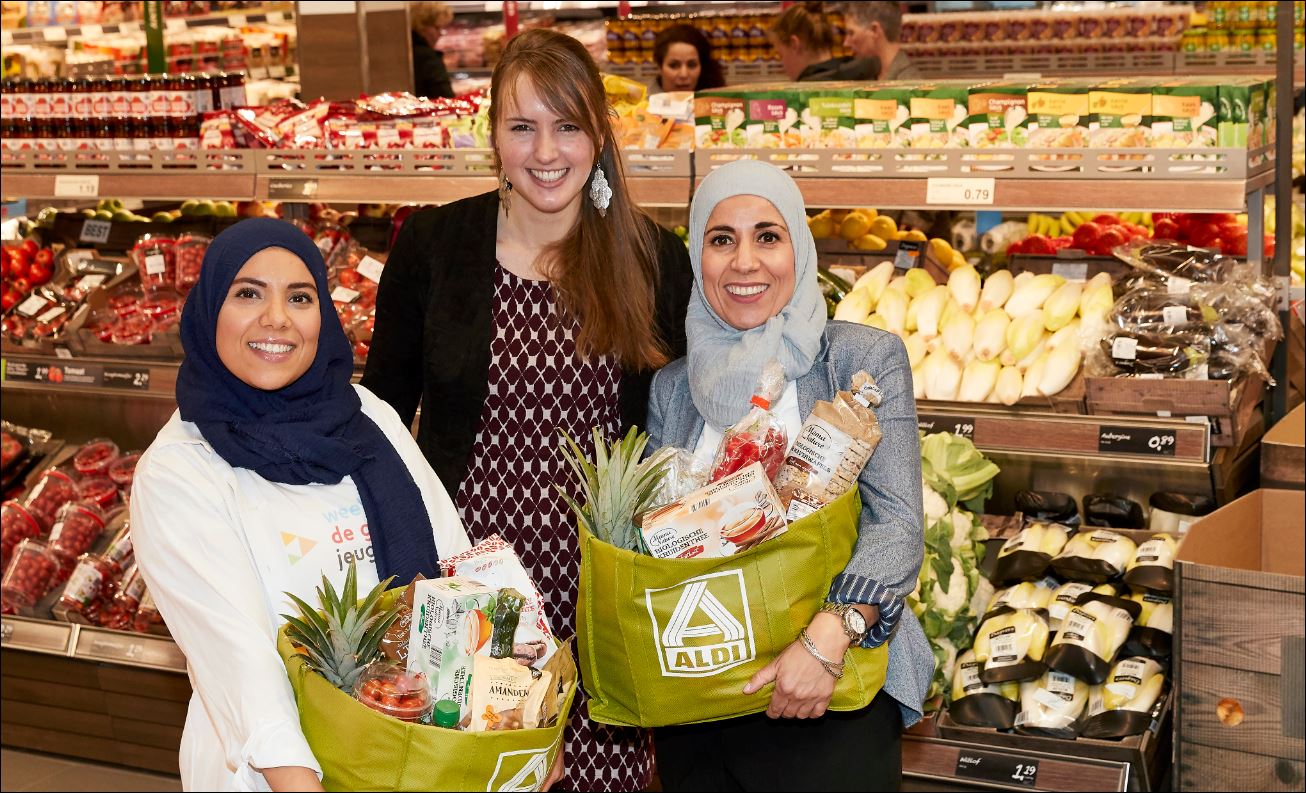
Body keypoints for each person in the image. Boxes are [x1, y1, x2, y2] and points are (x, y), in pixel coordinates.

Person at [361, 28, 694, 793]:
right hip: (467, 594)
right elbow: (379, 420)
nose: (547, 150)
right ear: (494, 139)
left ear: (598, 135)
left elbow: (681, 437)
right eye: (523, 126)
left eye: (568, 125)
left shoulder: (652, 259)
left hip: (600, 599)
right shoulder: (435, 245)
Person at [130, 219, 472, 792]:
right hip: (277, 775)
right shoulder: (179, 472)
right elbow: (241, 664)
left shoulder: (369, 418)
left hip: (417, 751)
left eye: (299, 297)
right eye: (247, 294)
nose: (276, 320)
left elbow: (456, 570)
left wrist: (507, 710)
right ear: (210, 308)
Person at [646, 160, 933, 792]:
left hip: (832, 686)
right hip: (703, 700)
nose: (744, 261)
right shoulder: (673, 388)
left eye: (767, 236)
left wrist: (828, 637)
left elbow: (899, 525)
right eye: (721, 239)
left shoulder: (863, 359)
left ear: (797, 248)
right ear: (698, 257)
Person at [771, 1, 877, 82]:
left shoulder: (804, 94)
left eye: (781, 55)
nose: (783, 65)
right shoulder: (866, 74)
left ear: (794, 44)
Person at [843, 1, 923, 81]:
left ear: (874, 30)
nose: (846, 43)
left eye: (851, 33)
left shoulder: (909, 85)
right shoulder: (869, 75)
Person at [652, 23, 726, 93]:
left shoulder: (718, 102)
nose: (684, 74)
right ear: (659, 67)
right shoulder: (644, 104)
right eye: (674, 65)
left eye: (692, 65)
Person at [410, 0, 455, 99]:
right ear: (422, 26)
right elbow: (446, 97)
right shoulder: (428, 57)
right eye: (437, 28)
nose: (440, 34)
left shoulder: (405, 49)